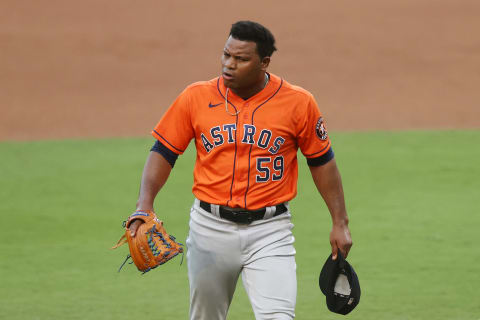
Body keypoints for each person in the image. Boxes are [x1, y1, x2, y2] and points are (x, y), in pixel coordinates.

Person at [128, 20, 353, 320]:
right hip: (209, 229)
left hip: (270, 231)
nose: (229, 65)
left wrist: (340, 222)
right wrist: (144, 205)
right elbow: (163, 152)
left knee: (279, 316)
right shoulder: (196, 97)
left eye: (241, 59)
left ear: (264, 63)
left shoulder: (299, 103)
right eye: (226, 55)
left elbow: (322, 162)